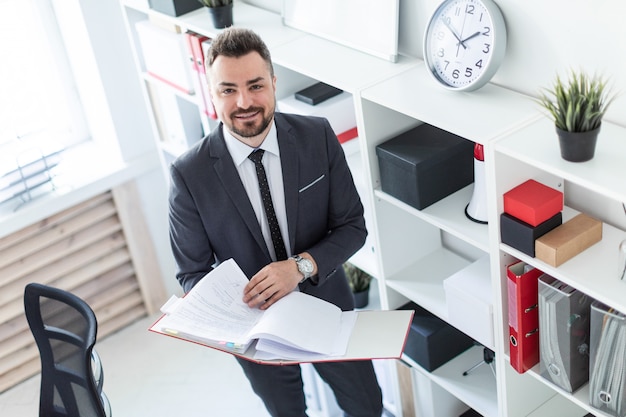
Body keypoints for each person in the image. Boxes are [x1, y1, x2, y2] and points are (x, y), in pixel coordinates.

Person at [167, 27, 383, 417]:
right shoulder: (189, 173)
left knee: (367, 405)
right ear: (212, 92)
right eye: (228, 89)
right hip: (253, 334)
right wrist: (237, 317)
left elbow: (353, 226)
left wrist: (299, 268)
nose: (244, 101)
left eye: (255, 85)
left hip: (329, 309)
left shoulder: (317, 136)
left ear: (273, 82)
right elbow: (191, 273)